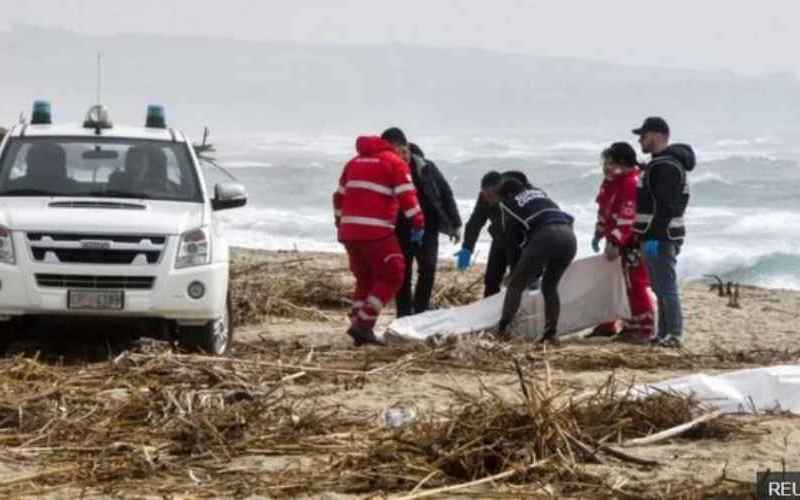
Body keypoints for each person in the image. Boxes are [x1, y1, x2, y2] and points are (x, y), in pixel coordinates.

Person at [333, 130, 425, 347]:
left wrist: (341, 223)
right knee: (394, 272)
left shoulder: (353, 162)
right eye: (405, 152)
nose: (406, 158)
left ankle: (358, 322)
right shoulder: (393, 162)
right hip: (375, 231)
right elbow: (407, 196)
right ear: (399, 147)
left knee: (365, 278)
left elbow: (338, 196)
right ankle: (363, 326)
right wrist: (418, 223)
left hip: (349, 231)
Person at [632, 117, 696, 348]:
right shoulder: (660, 164)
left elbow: (664, 206)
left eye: (643, 135)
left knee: (666, 287)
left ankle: (674, 334)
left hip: (661, 236)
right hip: (660, 234)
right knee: (659, 287)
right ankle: (663, 333)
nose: (640, 140)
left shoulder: (665, 166)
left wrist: (651, 236)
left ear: (658, 136)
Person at [494, 177, 577, 344]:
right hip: (569, 237)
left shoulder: (510, 204)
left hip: (546, 236)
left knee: (515, 285)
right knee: (550, 286)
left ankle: (502, 330)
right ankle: (551, 334)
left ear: (507, 195)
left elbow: (512, 242)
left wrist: (514, 271)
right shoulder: (541, 194)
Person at [591, 143, 656, 344]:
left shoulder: (631, 182)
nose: (606, 167)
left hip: (632, 242)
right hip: (616, 239)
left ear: (621, 162)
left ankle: (643, 327)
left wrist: (615, 241)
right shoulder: (612, 182)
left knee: (635, 283)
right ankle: (610, 322)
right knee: (613, 281)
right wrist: (599, 232)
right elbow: (605, 209)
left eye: (610, 162)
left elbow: (628, 216)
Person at [393, 139, 462, 317]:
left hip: (428, 226)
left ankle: (421, 309)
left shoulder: (427, 167)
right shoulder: (390, 169)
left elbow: (446, 192)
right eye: (397, 153)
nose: (402, 157)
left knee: (428, 267)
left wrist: (455, 223)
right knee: (403, 272)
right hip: (401, 227)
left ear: (408, 149)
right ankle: (403, 313)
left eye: (404, 152)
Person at [456, 170, 532, 297]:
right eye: (485, 195)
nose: (488, 200)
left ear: (500, 190)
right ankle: (488, 311)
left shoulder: (519, 194)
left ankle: (515, 310)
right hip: (499, 239)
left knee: (518, 281)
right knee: (491, 280)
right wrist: (467, 249)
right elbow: (475, 222)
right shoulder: (485, 197)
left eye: (490, 196)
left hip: (520, 242)